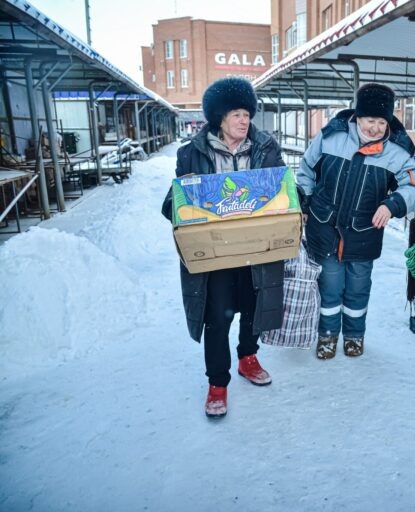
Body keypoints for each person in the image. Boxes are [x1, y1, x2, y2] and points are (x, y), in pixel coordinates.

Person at [161, 77, 286, 418]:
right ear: (218, 118)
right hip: (215, 253)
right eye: (235, 114)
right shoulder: (191, 153)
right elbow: (173, 206)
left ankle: (248, 356)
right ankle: (217, 382)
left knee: (254, 305)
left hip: (257, 247)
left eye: (247, 113)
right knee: (217, 316)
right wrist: (183, 198)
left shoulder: (266, 148)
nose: (244, 121)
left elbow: (282, 191)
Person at [297, 83, 415, 359]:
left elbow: (414, 188)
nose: (375, 127)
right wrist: (304, 201)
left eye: (381, 121)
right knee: (329, 288)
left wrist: (393, 204)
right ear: (357, 117)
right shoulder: (331, 137)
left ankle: (354, 336)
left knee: (357, 289)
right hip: (324, 227)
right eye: (369, 120)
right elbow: (305, 170)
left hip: (363, 233)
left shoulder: (398, 152)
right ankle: (327, 336)